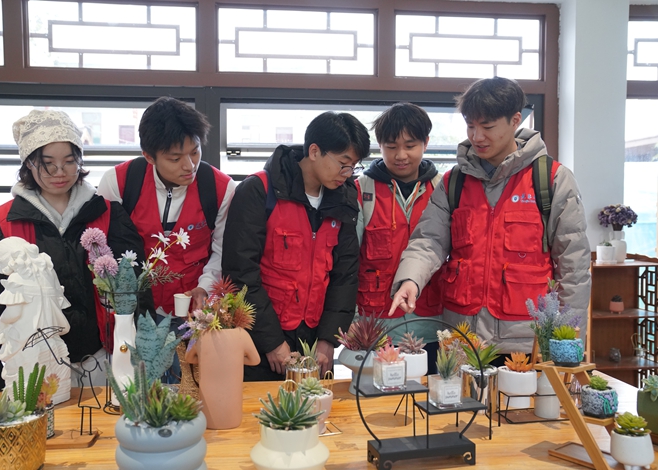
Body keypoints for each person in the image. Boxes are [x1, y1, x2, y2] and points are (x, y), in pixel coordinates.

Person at [389, 77, 591, 355]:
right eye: (471, 126)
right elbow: (428, 240)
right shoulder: (454, 182)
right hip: (462, 341)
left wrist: (567, 343)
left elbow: (573, 267)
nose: (477, 136)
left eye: (487, 126)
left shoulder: (552, 179)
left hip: (527, 343)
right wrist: (410, 280)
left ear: (515, 120)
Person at [0, 110, 145, 393]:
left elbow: (136, 293)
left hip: (103, 361)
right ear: (29, 163)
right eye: (48, 164)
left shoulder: (109, 216)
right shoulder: (0, 226)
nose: (60, 172)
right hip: (31, 370)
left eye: (69, 161)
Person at [222, 111, 370, 381]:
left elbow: (345, 274)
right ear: (314, 151)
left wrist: (328, 339)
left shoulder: (345, 197)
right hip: (260, 343)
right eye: (343, 163)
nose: (348, 174)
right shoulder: (258, 191)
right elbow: (241, 273)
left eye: (354, 166)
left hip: (315, 343)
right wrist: (271, 342)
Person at [97, 96, 236, 315]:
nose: (189, 166)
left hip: (192, 309)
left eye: (194, 152)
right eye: (175, 159)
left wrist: (206, 286)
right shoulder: (118, 182)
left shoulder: (221, 188)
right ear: (149, 156)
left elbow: (222, 250)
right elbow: (100, 248)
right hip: (133, 307)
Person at [355, 102, 441, 371]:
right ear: (379, 146)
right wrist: (352, 321)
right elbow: (347, 262)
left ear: (426, 143)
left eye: (410, 145)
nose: (401, 155)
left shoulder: (442, 189)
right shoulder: (361, 190)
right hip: (375, 326)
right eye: (391, 147)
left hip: (432, 326)